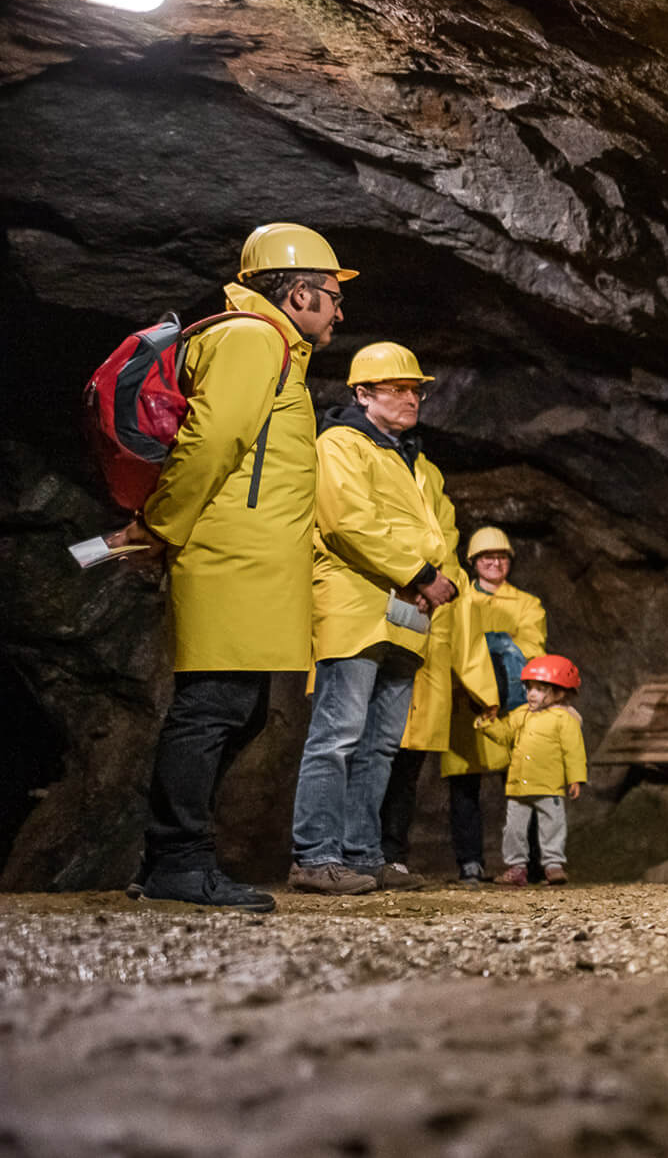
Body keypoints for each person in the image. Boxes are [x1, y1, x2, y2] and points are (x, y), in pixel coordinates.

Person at [120, 222, 352, 912]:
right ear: (301, 292)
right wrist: (160, 525)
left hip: (253, 556)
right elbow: (213, 439)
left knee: (239, 710)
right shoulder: (253, 338)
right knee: (212, 707)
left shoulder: (270, 344)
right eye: (334, 297)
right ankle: (178, 862)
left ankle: (169, 856)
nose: (340, 311)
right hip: (231, 554)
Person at [289, 341, 459, 895]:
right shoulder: (341, 444)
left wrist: (434, 584)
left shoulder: (414, 461)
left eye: (417, 389)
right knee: (337, 734)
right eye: (399, 389)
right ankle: (316, 856)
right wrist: (424, 576)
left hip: (406, 613)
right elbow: (347, 524)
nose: (412, 398)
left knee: (380, 744)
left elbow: (438, 533)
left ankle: (363, 854)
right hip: (356, 606)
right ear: (362, 394)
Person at [380, 416, 498, 890]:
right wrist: (418, 580)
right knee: (371, 753)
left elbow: (466, 635)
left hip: (426, 664)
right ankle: (352, 851)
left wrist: (482, 690)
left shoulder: (455, 581)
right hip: (385, 631)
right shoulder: (351, 451)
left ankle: (390, 853)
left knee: (405, 765)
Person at [436, 526, 548, 883]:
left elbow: (533, 649)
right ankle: (470, 862)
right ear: (473, 563)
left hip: (512, 706)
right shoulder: (457, 599)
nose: (494, 562)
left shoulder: (527, 604)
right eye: (487, 557)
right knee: (464, 786)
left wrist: (489, 650)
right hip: (466, 705)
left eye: (501, 556)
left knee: (521, 785)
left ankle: (529, 863)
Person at [477, 655, 588, 886]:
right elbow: (506, 734)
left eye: (540, 689)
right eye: (530, 688)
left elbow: (574, 751)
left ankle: (553, 865)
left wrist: (576, 778)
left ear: (559, 692)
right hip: (520, 784)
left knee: (552, 825)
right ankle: (516, 867)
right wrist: (489, 724)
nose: (532, 694)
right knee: (513, 829)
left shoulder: (564, 719)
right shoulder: (522, 714)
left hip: (550, 785)